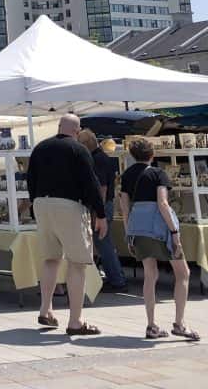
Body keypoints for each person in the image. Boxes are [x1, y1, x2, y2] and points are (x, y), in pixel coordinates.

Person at [26, 114, 107, 336]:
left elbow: (30, 178)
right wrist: (100, 214)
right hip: (69, 205)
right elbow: (91, 183)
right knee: (77, 263)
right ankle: (75, 321)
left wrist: (35, 202)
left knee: (51, 259)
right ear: (77, 130)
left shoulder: (40, 148)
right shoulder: (79, 150)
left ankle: (46, 309)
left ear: (59, 127)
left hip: (42, 203)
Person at [119, 137, 199, 341]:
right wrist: (174, 233)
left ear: (132, 155)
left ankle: (151, 325)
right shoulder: (158, 173)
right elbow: (163, 204)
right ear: (152, 154)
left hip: (139, 229)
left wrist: (129, 233)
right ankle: (179, 324)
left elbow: (125, 207)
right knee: (183, 273)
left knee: (149, 274)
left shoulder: (127, 175)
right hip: (160, 230)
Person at [79, 130, 128, 291]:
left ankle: (117, 280)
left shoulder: (97, 159)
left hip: (101, 206)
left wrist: (96, 213)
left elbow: (102, 188)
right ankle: (115, 277)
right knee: (104, 243)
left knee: (104, 244)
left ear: (86, 144)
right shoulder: (101, 157)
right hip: (103, 205)